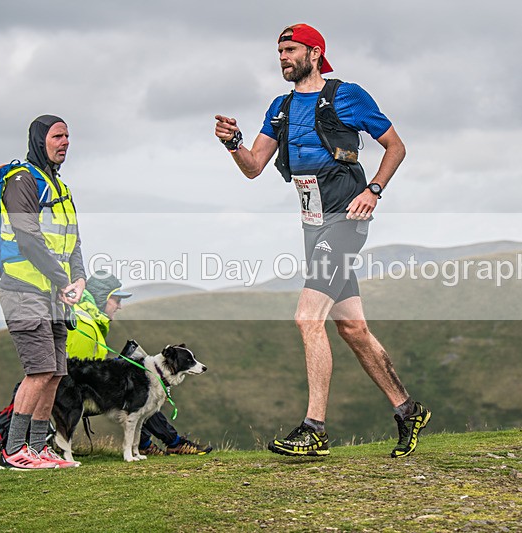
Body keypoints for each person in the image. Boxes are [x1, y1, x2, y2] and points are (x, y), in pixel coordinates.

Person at [214, 24, 431, 458]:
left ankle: (314, 429)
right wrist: (234, 143)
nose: (283, 57)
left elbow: (395, 146)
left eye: (290, 49)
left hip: (345, 218)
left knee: (307, 317)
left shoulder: (347, 96)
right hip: (313, 224)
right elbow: (254, 166)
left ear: (315, 53)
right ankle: (409, 410)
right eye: (280, 50)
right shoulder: (280, 107)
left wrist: (374, 190)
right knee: (352, 327)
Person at [0, 115, 84, 469]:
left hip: (54, 294)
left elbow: (73, 241)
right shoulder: (22, 181)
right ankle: (13, 451)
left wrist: (79, 279)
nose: (65, 142)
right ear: (39, 140)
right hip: (24, 290)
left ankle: (37, 448)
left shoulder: (60, 188)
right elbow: (28, 238)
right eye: (57, 136)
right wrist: (63, 281)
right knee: (38, 371)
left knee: (55, 372)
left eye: (68, 136)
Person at [66, 271, 212, 456]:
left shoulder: (91, 321)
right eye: (116, 300)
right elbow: (78, 370)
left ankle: (149, 444)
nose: (120, 306)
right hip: (80, 393)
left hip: (90, 388)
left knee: (141, 390)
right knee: (141, 392)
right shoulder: (85, 324)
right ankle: (170, 443)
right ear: (102, 298)